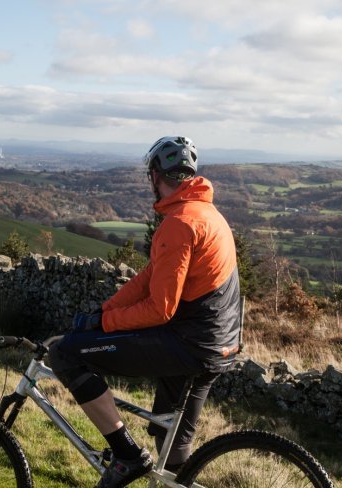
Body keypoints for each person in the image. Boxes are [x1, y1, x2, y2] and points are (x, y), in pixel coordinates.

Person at [48, 136, 242, 487]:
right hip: (218, 344)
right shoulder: (207, 213)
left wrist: (103, 323)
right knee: (171, 444)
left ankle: (125, 455)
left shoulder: (180, 223)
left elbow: (159, 308)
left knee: (66, 354)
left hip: (190, 342)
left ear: (156, 175)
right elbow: (150, 277)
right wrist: (104, 310)